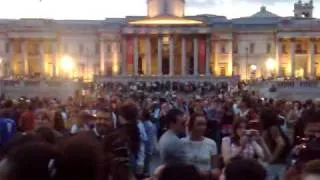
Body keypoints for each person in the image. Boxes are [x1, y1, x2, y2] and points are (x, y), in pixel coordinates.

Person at [182, 113, 220, 179]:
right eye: (199, 124)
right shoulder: (182, 142)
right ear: (191, 126)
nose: (203, 127)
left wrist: (208, 174)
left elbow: (215, 169)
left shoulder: (211, 143)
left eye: (204, 124)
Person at [260, 108, 291, 180]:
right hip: (277, 162)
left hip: (277, 163)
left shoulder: (273, 128)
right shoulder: (273, 127)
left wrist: (272, 159)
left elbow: (281, 143)